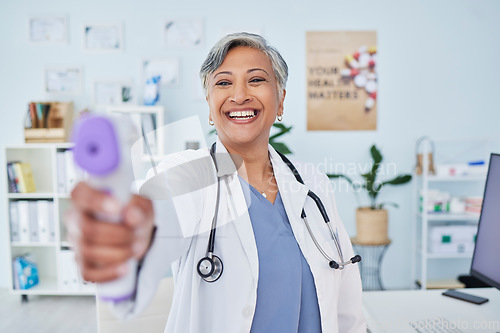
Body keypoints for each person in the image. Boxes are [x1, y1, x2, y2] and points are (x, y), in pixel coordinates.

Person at [67, 32, 366, 332]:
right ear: (210, 105)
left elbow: (347, 300)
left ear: (281, 101)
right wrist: (127, 230)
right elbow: (159, 208)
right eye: (223, 83)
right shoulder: (191, 176)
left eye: (257, 80)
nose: (239, 95)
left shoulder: (313, 183)